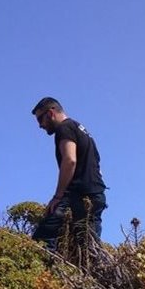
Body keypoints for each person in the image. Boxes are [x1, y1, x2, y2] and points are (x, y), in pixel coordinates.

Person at [31, 97, 107, 251]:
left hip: (78, 195)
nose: (40, 125)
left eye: (40, 119)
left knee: (43, 238)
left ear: (51, 113)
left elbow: (70, 160)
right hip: (96, 194)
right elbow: (97, 164)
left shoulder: (64, 128)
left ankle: (46, 274)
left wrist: (58, 196)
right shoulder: (81, 129)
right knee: (86, 247)